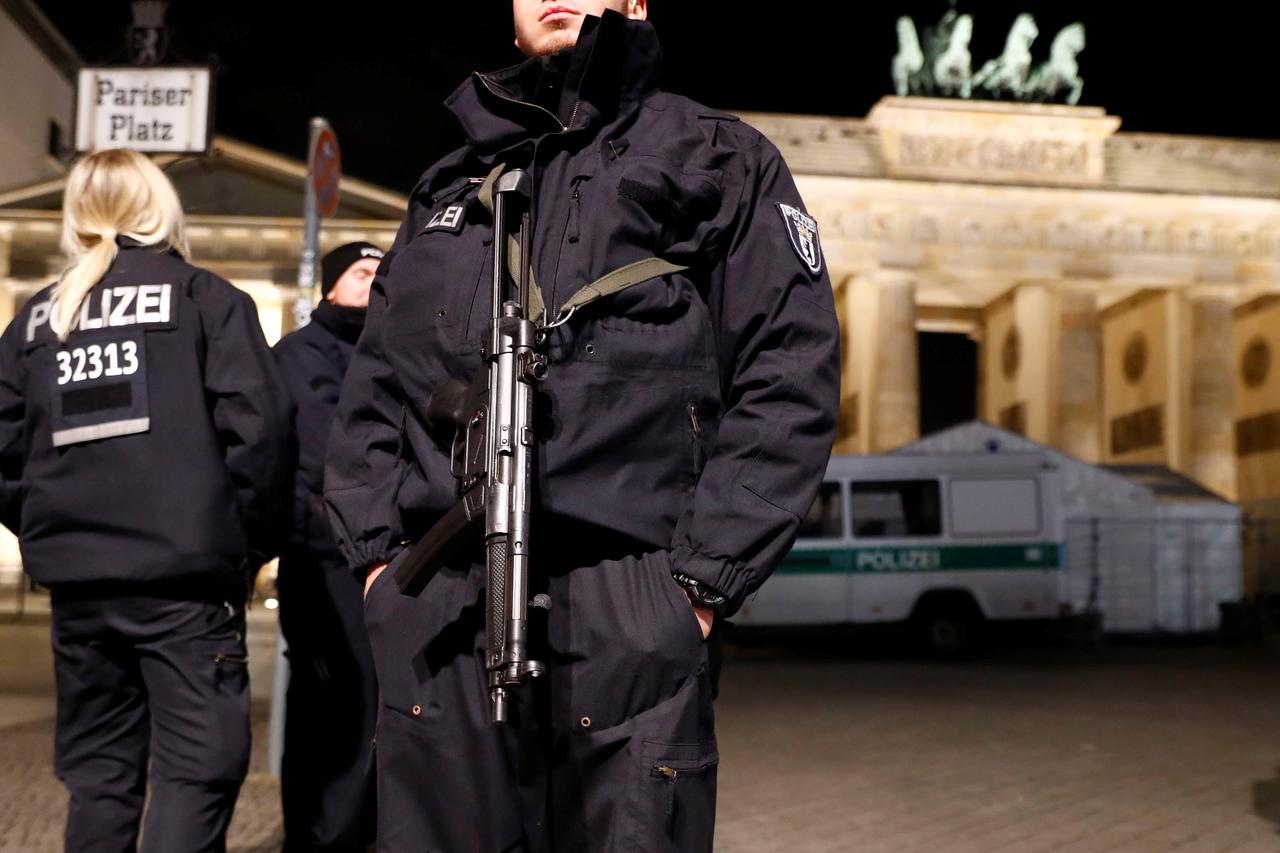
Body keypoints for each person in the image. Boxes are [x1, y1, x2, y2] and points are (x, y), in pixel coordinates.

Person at [325, 3, 840, 851]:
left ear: (636, 2)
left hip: (625, 597)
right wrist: (381, 568)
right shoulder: (446, 187)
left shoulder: (720, 157)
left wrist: (696, 588)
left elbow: (788, 370)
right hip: (438, 601)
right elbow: (375, 385)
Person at [0, 148, 293, 852]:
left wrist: (54, 530)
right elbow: (262, 438)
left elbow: (7, 451)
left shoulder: (38, 322)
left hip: (79, 590)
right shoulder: (203, 299)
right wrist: (244, 548)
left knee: (100, 779)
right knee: (197, 774)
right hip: (184, 588)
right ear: (160, 207)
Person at [273, 242, 385, 851]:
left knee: (368, 705)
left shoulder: (392, 352)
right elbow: (321, 459)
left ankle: (352, 831)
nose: (373, 282)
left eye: (380, 273)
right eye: (361, 272)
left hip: (382, 560)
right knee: (333, 705)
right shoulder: (297, 356)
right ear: (329, 288)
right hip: (321, 559)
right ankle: (320, 837)